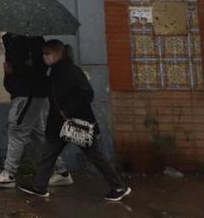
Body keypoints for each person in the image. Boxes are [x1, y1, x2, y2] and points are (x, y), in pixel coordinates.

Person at [19, 39, 132, 202]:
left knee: (95, 156)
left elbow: (87, 93)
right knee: (48, 154)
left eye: (47, 54)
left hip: (77, 124)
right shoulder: (54, 71)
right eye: (44, 54)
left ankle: (118, 187)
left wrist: (68, 111)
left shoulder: (71, 71)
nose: (45, 57)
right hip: (58, 125)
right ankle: (39, 186)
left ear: (57, 54)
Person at [0, 34, 72, 189]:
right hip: (32, 93)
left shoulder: (26, 41)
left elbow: (34, 68)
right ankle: (62, 172)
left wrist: (12, 71)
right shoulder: (25, 39)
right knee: (39, 134)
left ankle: (9, 175)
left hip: (27, 94)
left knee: (17, 131)